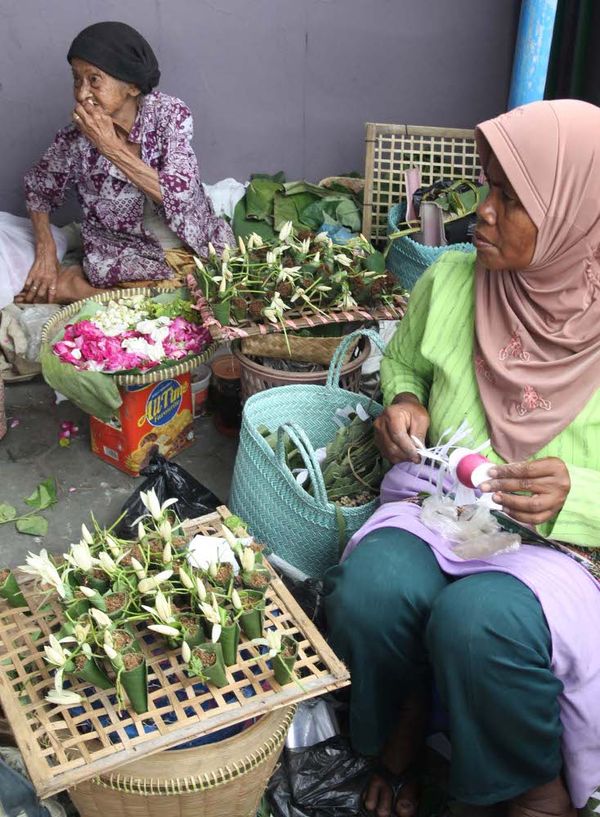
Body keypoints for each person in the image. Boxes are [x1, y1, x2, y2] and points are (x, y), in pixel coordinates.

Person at [324, 99, 600, 817]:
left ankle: (527, 785)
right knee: (371, 592)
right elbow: (405, 362)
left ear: (575, 212)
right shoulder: (449, 278)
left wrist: (577, 491)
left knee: (479, 621)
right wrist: (405, 398)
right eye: (486, 186)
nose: (481, 210)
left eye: (509, 198)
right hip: (440, 506)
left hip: (558, 545)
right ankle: (395, 738)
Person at [20, 21, 233, 304]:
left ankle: (76, 290)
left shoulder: (169, 114)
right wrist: (46, 252)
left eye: (94, 80)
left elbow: (180, 194)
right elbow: (38, 189)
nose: (82, 93)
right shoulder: (75, 139)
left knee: (224, 291)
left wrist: (110, 147)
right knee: (174, 304)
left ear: (132, 86)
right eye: (76, 79)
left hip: (191, 238)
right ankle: (88, 288)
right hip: (125, 253)